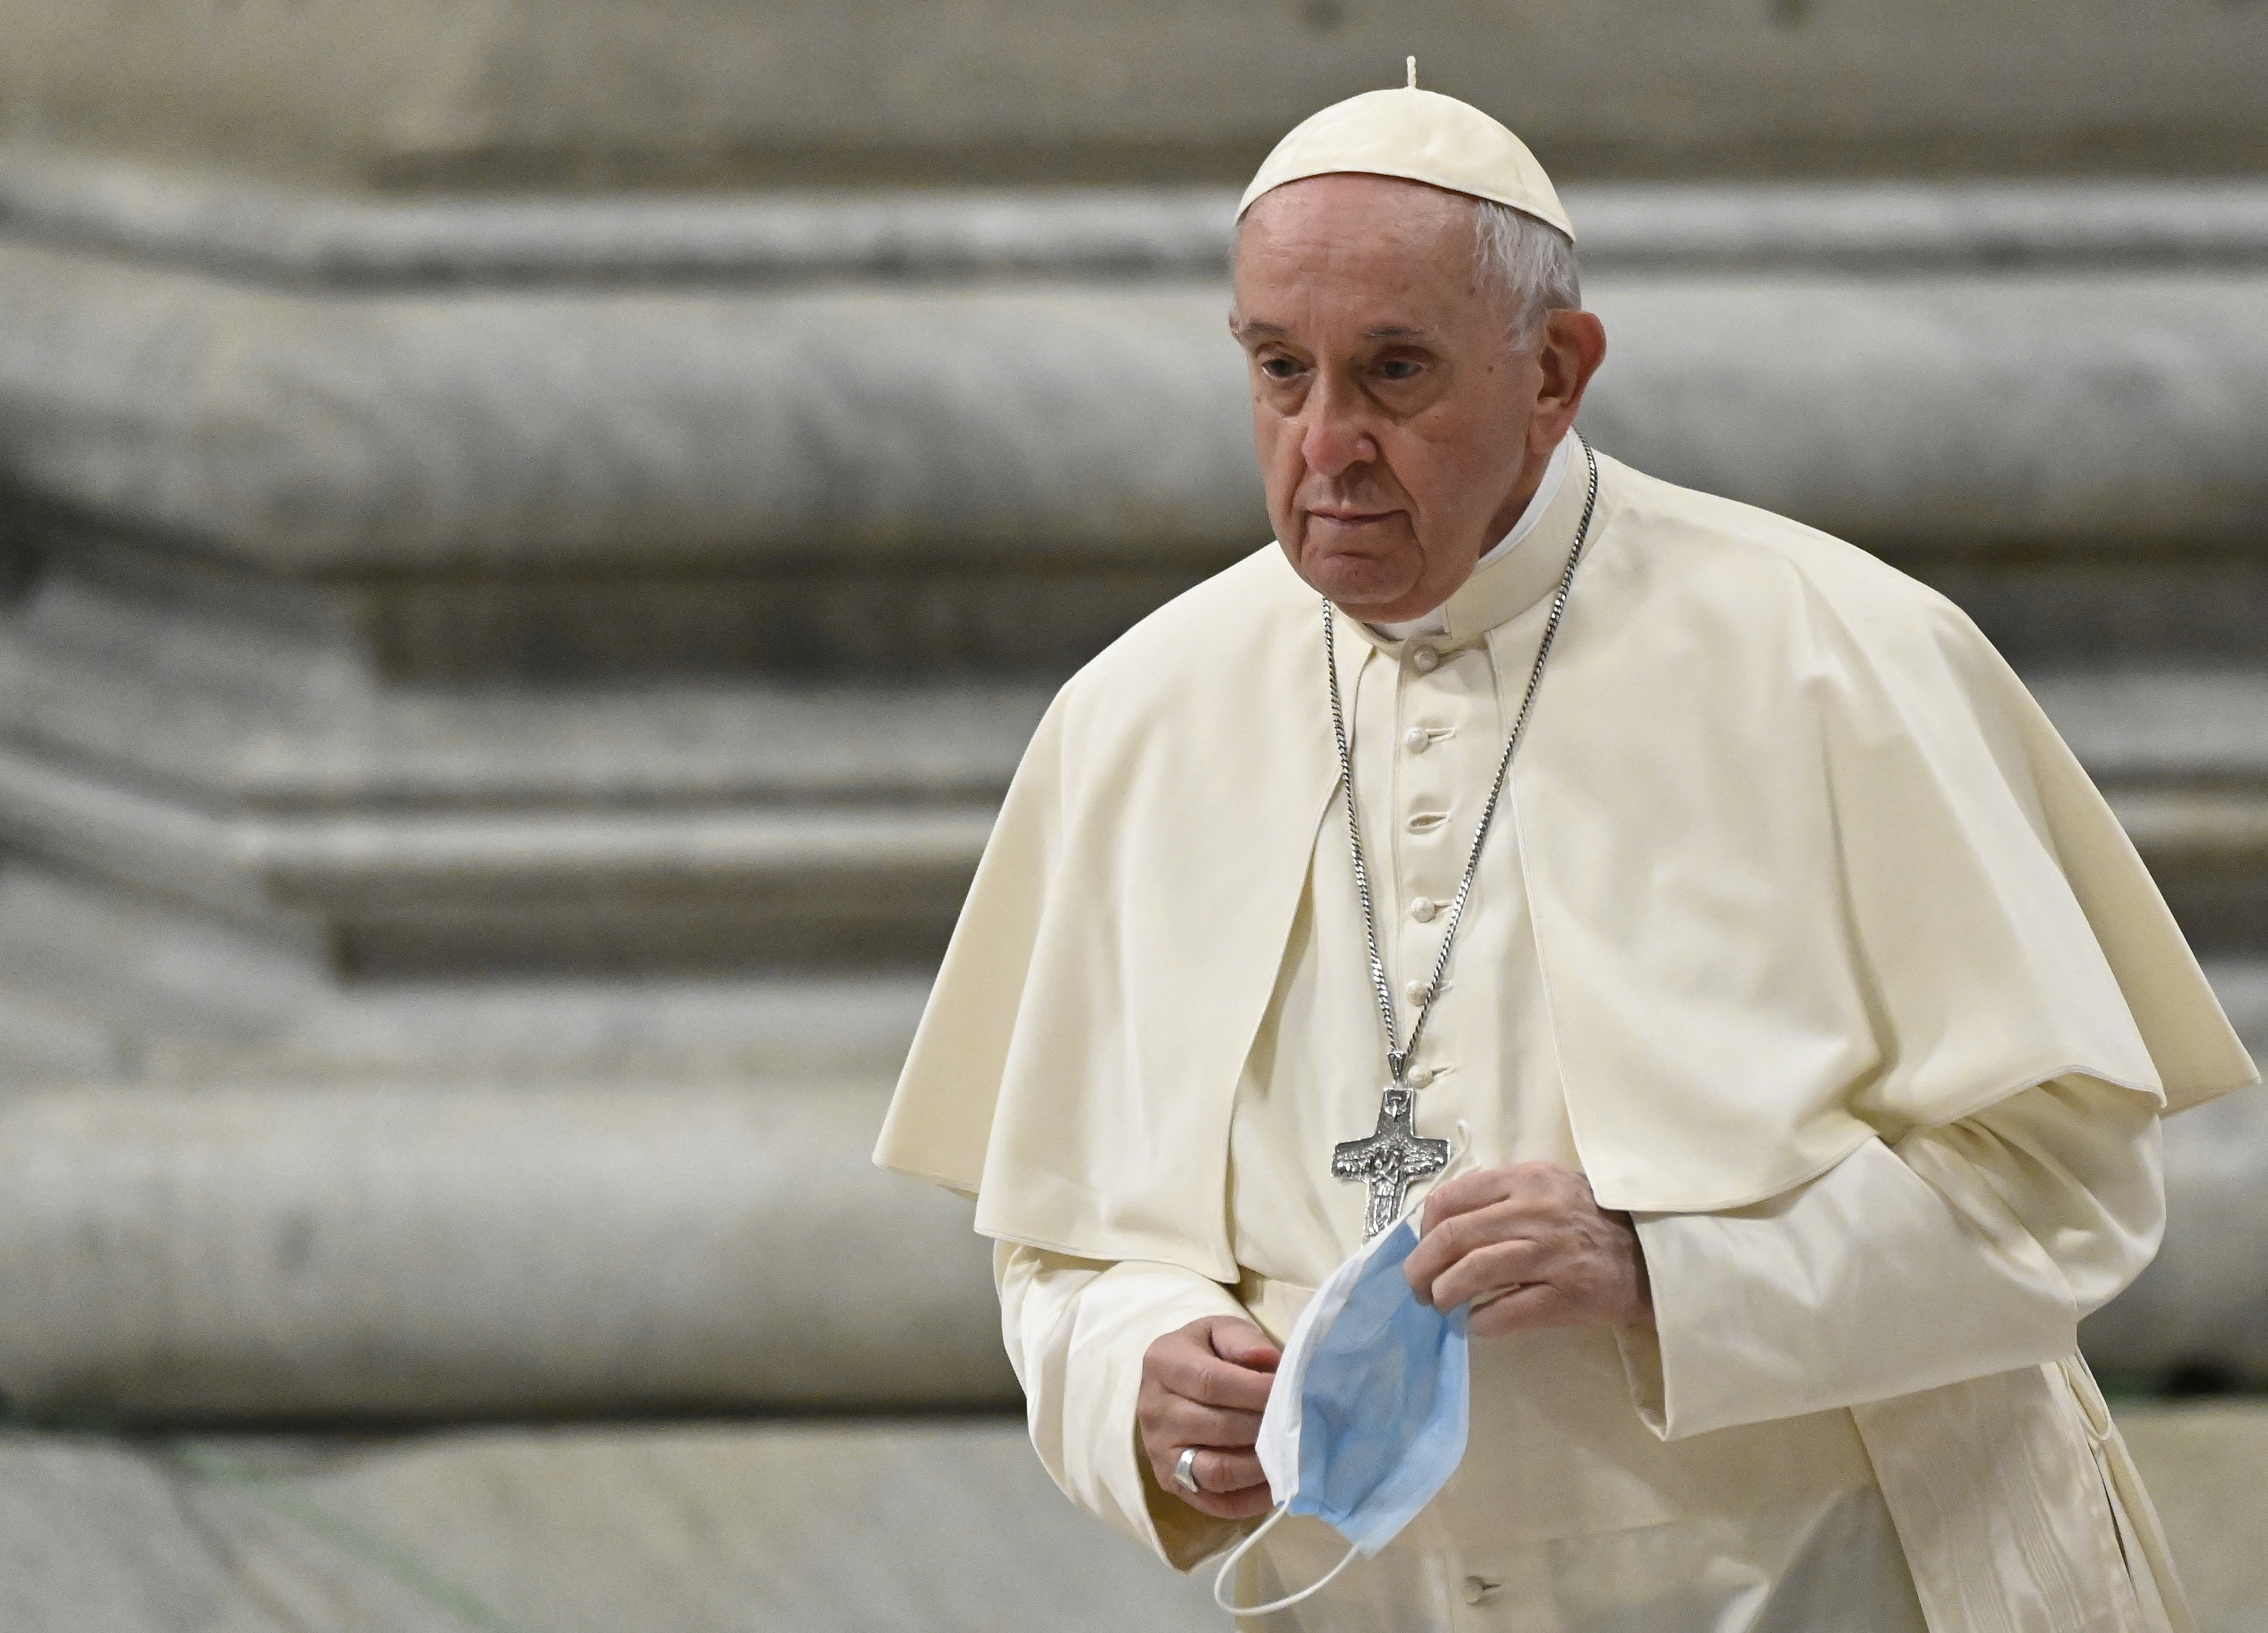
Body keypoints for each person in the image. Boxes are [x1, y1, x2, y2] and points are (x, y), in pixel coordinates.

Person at [875, 76, 2256, 1633]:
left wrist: (1666, 1271)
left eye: (1393, 374)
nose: (1323, 444)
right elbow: (1057, 1248)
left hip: (1845, 1579)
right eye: (1277, 372)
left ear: (1553, 373)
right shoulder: (1136, 714)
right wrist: (1135, 1375)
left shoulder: (1836, 654)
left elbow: (2064, 1187)